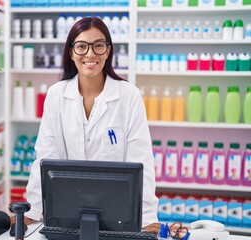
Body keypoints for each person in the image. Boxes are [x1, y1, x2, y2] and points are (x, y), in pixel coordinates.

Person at [13, 16, 160, 233]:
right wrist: (32, 211)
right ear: (71, 52)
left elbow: (142, 161)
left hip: (118, 214)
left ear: (108, 51)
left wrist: (147, 218)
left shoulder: (128, 96)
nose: (90, 54)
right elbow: (44, 157)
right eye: (81, 46)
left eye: (98, 46)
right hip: (67, 212)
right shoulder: (56, 95)